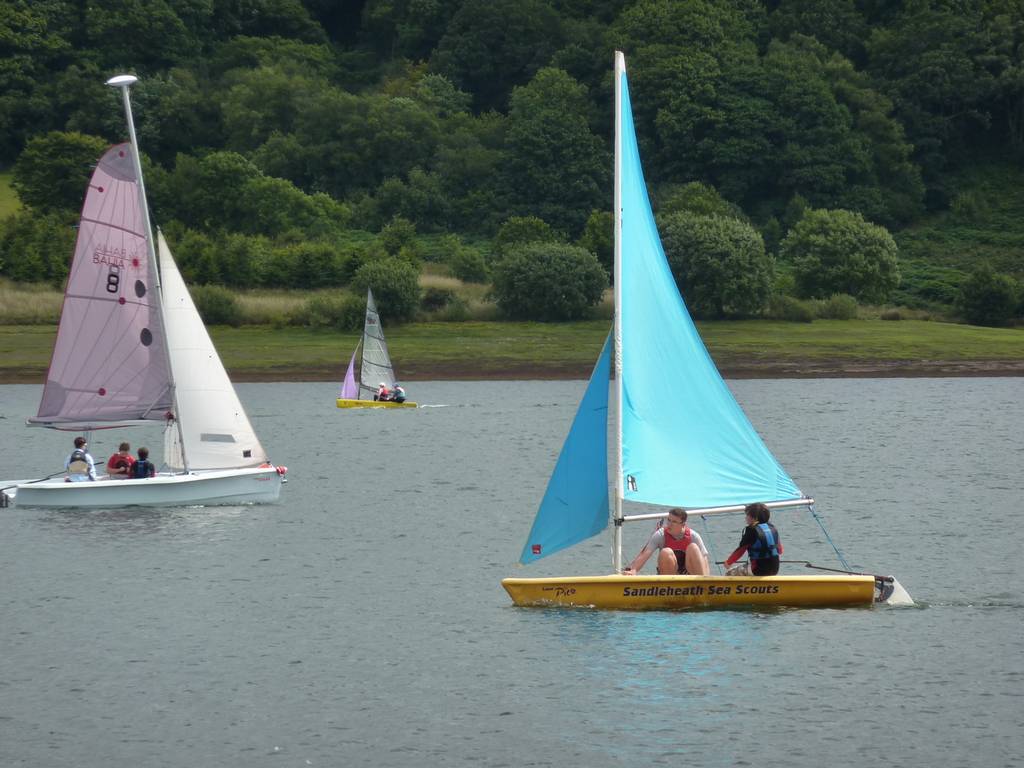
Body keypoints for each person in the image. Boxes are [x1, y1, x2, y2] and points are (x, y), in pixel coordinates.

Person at [622, 508, 710, 576]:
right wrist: (633, 570)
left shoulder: (693, 536)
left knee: (693, 547)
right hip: (670, 574)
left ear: (683, 524)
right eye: (669, 520)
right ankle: (670, 590)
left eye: (674, 521)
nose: (669, 524)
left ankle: (705, 586)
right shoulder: (660, 535)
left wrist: (709, 580)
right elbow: (645, 553)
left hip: (688, 573)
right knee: (666, 552)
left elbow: (704, 560)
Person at [724, 502, 783, 576]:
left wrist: (728, 563)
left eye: (747, 515)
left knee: (729, 574)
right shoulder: (773, 528)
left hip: (757, 570)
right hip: (775, 569)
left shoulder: (751, 530)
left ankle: (741, 587)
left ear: (755, 518)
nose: (745, 518)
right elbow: (780, 551)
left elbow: (740, 550)